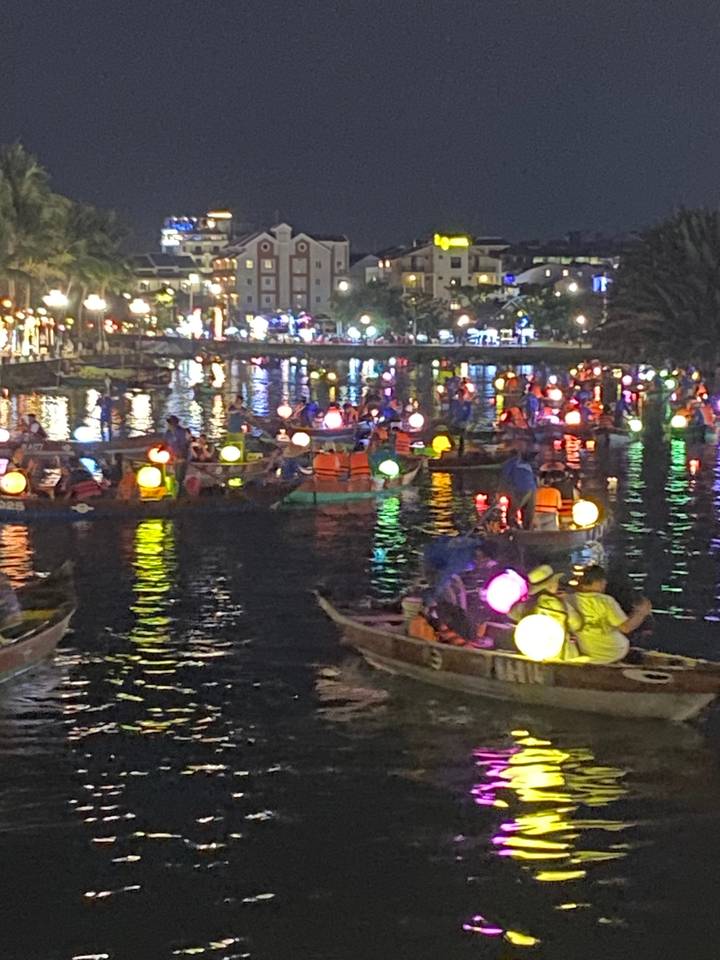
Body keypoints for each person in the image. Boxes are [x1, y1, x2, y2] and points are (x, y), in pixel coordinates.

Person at [572, 564, 652, 663]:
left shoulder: (571, 599)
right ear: (600, 581)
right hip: (614, 652)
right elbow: (626, 628)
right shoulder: (605, 601)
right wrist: (641, 612)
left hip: (588, 650)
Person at [509, 564, 583, 657]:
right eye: (556, 582)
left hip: (532, 652)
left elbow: (511, 613)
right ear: (550, 586)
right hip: (558, 655)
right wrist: (564, 601)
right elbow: (577, 624)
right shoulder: (560, 605)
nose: (557, 585)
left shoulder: (525, 605)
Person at [499, 449, 537, 529]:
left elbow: (504, 477)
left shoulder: (513, 463)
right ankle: (521, 530)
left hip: (525, 489)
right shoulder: (520, 463)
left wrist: (501, 490)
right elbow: (505, 478)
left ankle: (519, 530)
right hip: (526, 489)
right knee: (522, 512)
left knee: (516, 512)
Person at [164, 415, 191, 493]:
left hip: (182, 456)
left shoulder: (182, 432)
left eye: (169, 423)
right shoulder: (168, 433)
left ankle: (180, 490)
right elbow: (166, 444)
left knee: (179, 474)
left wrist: (180, 457)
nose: (168, 425)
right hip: (172, 456)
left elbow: (185, 446)